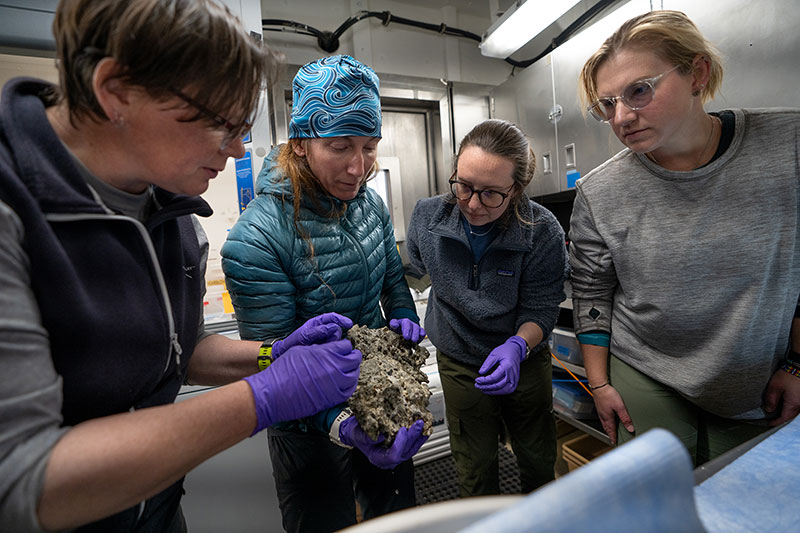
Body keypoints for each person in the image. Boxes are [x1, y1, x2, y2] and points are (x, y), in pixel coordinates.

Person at [0, 2, 366, 532]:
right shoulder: (13, 209)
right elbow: (23, 479)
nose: (240, 151)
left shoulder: (170, 210)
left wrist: (269, 355)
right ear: (117, 90)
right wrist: (260, 398)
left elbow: (178, 349)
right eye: (222, 124)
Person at [570, 9, 800, 464]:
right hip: (647, 368)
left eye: (639, 91)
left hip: (757, 373)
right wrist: (599, 384)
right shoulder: (600, 191)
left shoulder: (787, 146)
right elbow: (592, 291)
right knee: (655, 502)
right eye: (607, 104)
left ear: (698, 73)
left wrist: (797, 363)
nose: (622, 117)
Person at [220, 54, 428, 533]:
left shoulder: (368, 204)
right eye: (341, 147)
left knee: (395, 518)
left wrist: (400, 311)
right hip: (305, 427)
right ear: (300, 145)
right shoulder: (258, 239)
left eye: (370, 147)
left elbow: (392, 276)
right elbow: (275, 361)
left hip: (379, 392)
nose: (359, 168)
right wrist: (343, 424)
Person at [406, 119, 569, 497]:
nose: (473, 204)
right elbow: (409, 273)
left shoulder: (541, 230)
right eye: (464, 186)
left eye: (492, 194)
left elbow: (542, 307)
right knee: (474, 466)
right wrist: (401, 309)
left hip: (524, 359)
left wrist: (517, 346)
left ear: (517, 189)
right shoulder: (428, 217)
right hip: (460, 358)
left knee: (537, 459)